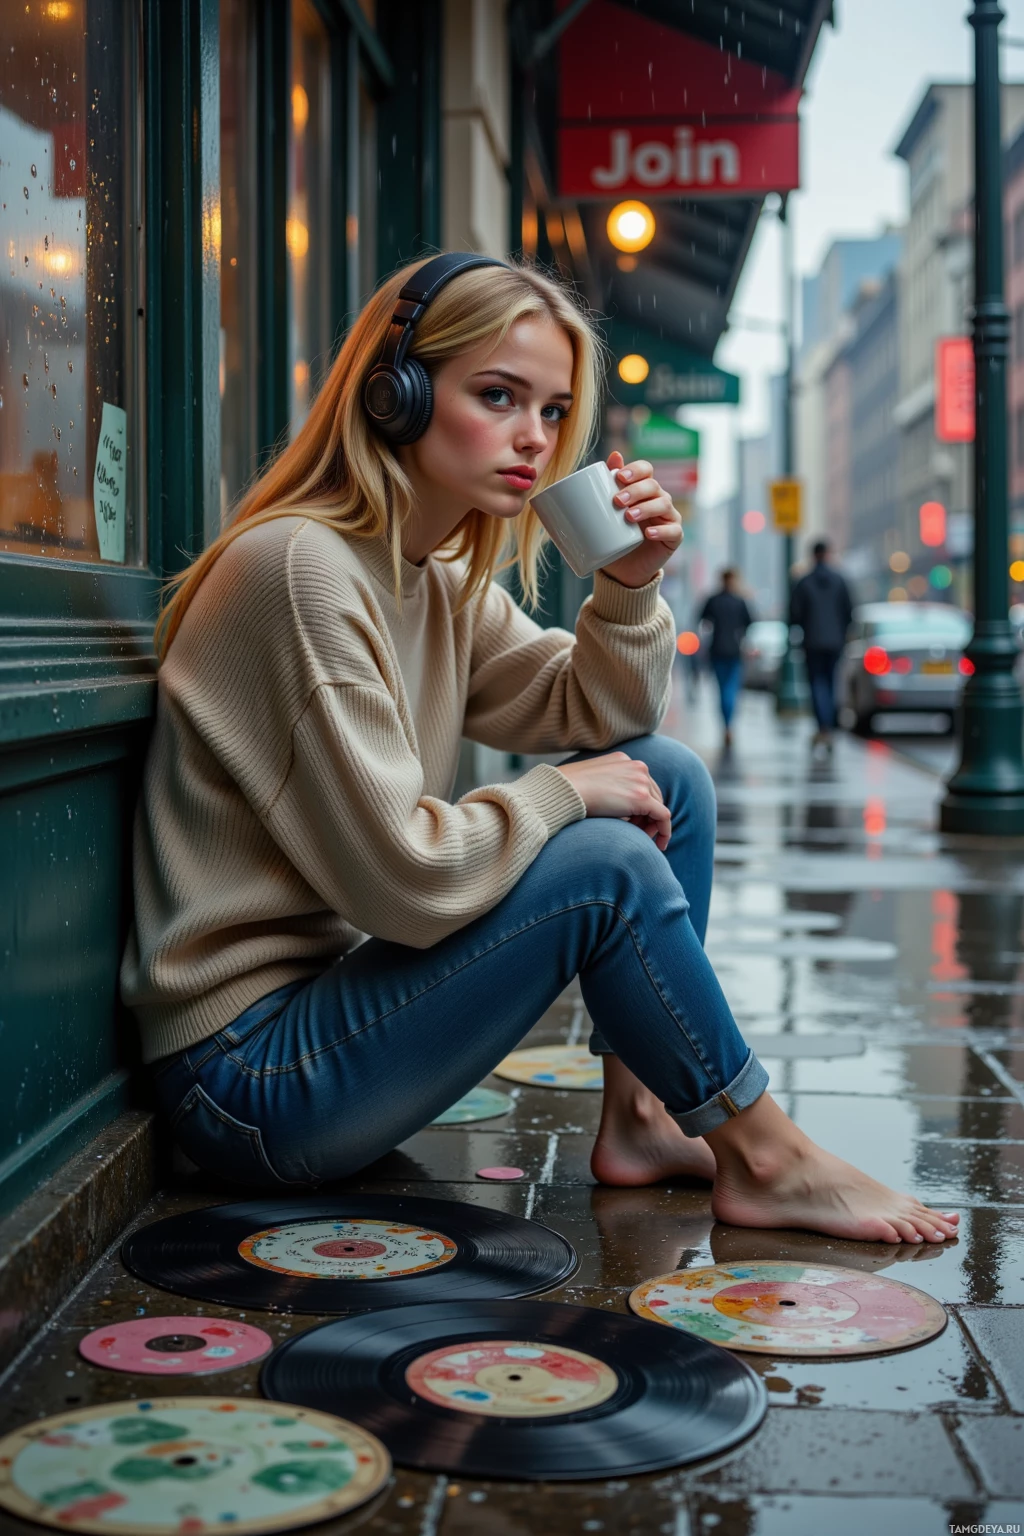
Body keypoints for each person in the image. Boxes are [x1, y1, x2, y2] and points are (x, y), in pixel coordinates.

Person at [120, 253, 957, 1247]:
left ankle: (644, 1119)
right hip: (248, 1085)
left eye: (555, 411)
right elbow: (403, 878)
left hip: (331, 1024)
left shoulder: (431, 580)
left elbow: (601, 712)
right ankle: (765, 1154)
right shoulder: (301, 570)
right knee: (602, 861)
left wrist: (629, 585)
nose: (534, 438)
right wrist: (563, 797)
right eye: (498, 395)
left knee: (668, 777)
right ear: (396, 392)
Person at [790, 538, 853, 751]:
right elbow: (849, 612)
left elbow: (794, 615)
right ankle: (828, 727)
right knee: (831, 683)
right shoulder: (840, 580)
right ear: (827, 554)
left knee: (817, 684)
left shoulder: (804, 582)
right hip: (835, 642)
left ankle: (823, 727)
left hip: (813, 642)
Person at [699, 569, 752, 748]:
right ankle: (729, 725)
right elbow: (750, 622)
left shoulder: (713, 600)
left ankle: (725, 725)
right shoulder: (740, 601)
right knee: (732, 688)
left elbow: (703, 620)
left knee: (721, 689)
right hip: (734, 650)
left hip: (717, 650)